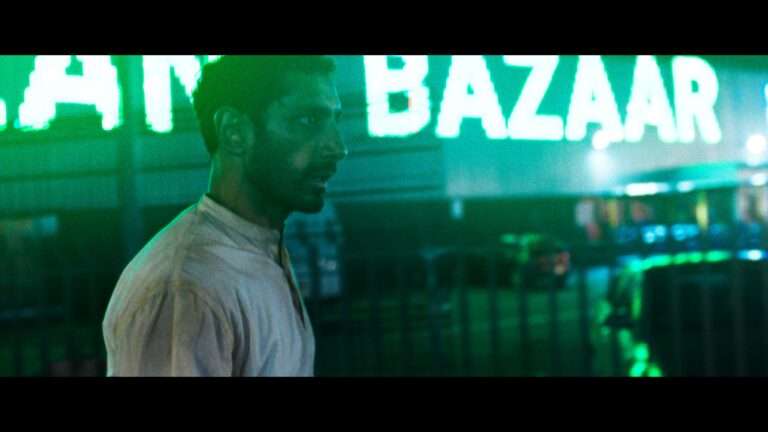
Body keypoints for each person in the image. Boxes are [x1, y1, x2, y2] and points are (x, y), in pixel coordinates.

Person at [102, 55, 347, 376]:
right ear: (234, 132)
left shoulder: (256, 252)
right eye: (308, 120)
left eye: (335, 121)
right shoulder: (187, 286)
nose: (338, 147)